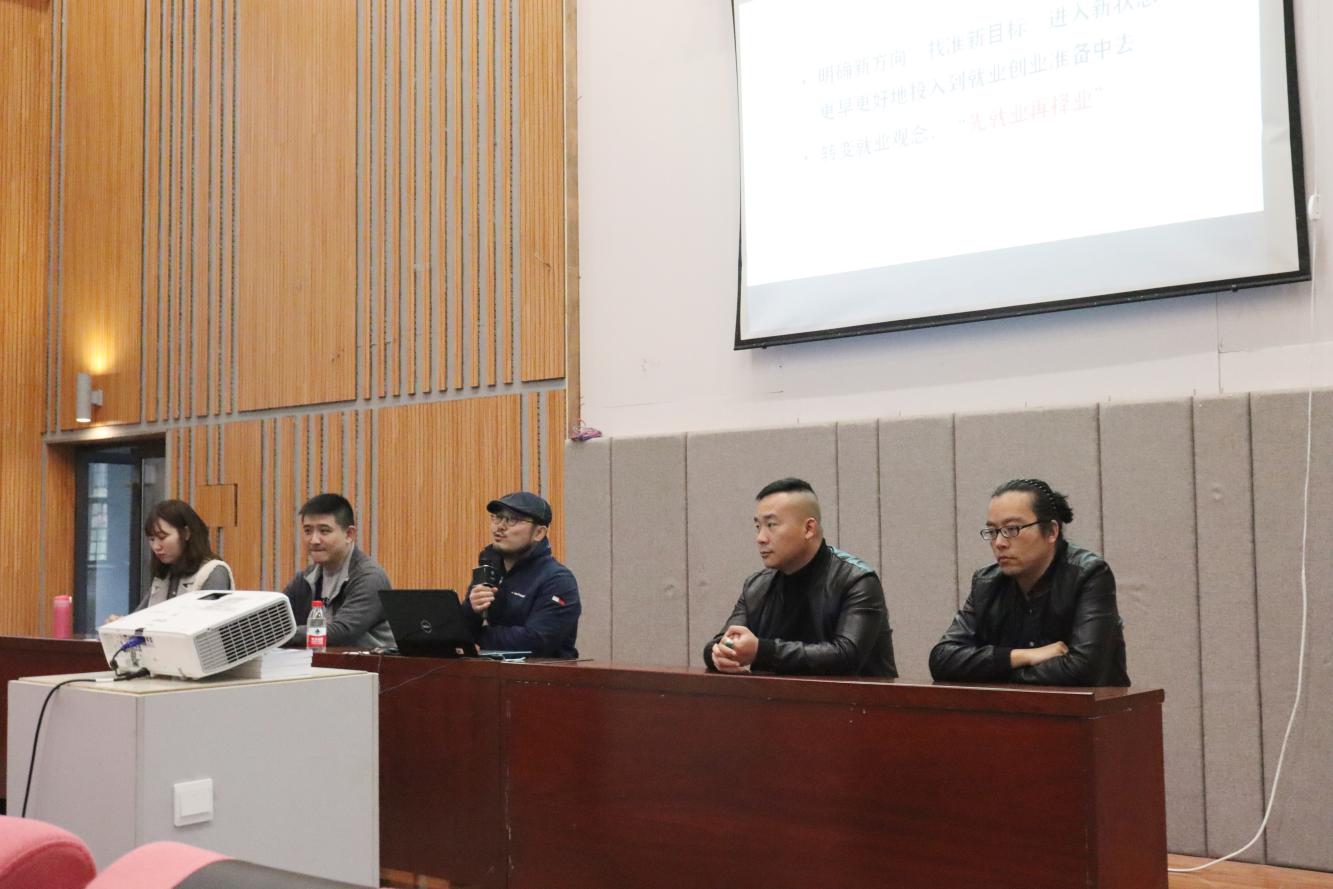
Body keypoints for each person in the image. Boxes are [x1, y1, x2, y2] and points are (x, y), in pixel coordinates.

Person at [929, 478, 1130, 686]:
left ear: (1051, 532)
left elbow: (1083, 670)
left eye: (1012, 529)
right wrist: (1021, 656)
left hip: (1087, 707)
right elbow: (942, 659)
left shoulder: (1089, 575)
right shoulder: (986, 583)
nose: (999, 542)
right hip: (1013, 707)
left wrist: (997, 674)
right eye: (992, 531)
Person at [704, 478, 897, 677]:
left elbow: (847, 656)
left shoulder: (856, 580)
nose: (760, 538)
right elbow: (721, 641)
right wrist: (720, 653)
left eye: (771, 525)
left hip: (856, 697)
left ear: (808, 529)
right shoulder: (756, 586)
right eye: (758, 527)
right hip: (776, 697)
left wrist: (763, 651)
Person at [461, 492, 580, 658]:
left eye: (512, 520)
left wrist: (479, 635)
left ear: (539, 533)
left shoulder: (557, 580)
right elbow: (461, 629)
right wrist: (472, 609)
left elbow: (535, 641)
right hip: (494, 670)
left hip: (544, 672)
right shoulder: (489, 568)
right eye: (497, 518)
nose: (500, 526)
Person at [282, 493, 393, 649]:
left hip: (369, 663)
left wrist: (279, 634)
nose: (314, 540)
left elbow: (342, 632)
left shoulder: (369, 577)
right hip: (320, 662)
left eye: (324, 531)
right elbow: (276, 619)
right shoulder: (305, 578)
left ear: (349, 534)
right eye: (308, 531)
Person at [135, 499, 234, 611]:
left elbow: (210, 619)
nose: (156, 547)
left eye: (162, 537)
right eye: (152, 539)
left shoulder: (213, 571)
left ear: (186, 533)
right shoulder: (165, 575)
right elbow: (138, 616)